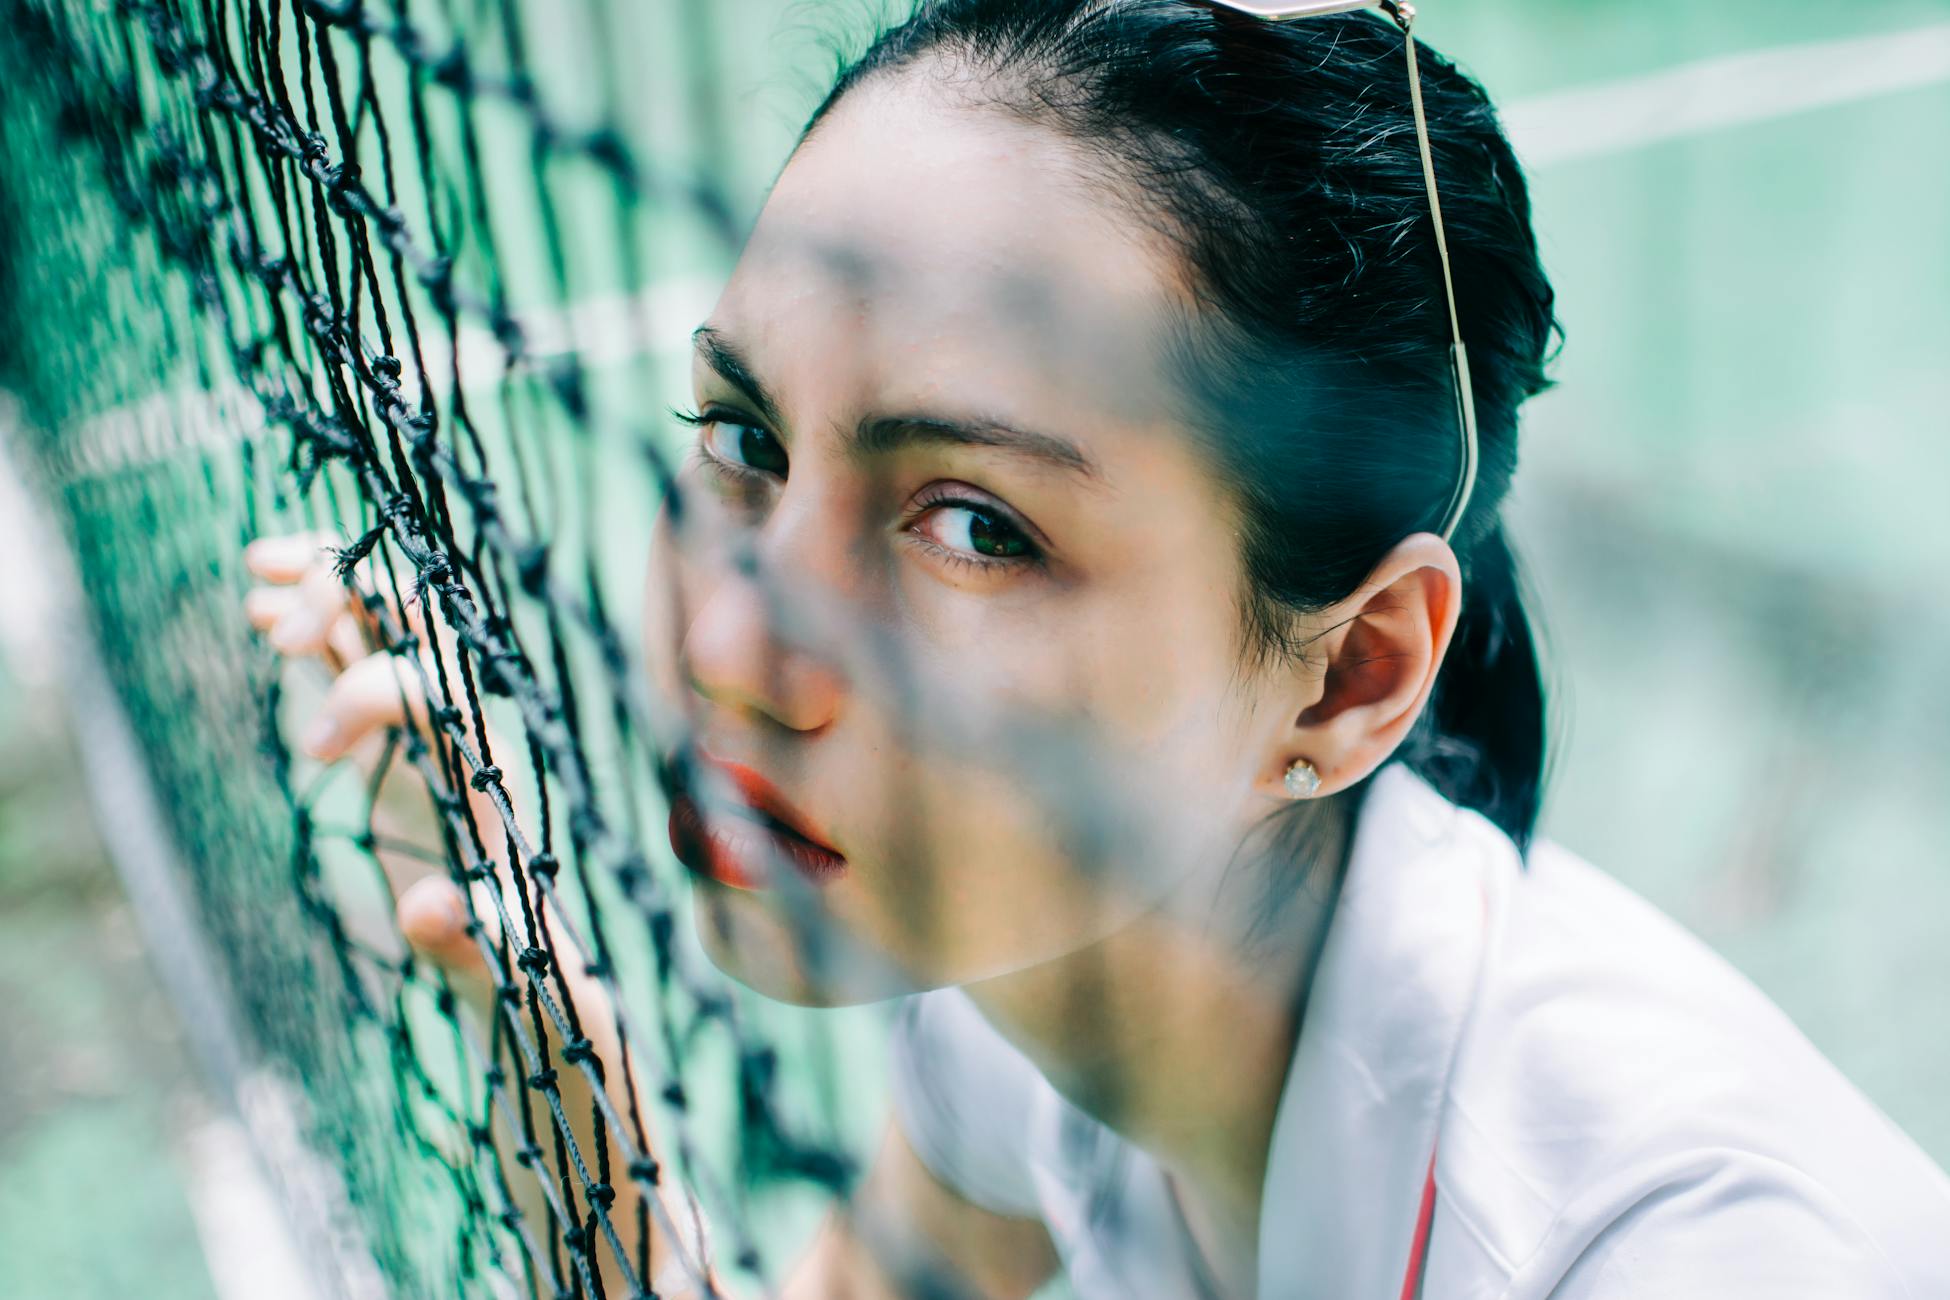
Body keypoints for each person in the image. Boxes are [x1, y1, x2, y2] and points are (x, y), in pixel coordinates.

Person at [243, 1, 1950, 1295]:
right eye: (744, 439)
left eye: (979, 527)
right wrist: (557, 1076)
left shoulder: (1680, 1253)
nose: (737, 647)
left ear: (1348, 676)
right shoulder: (1036, 985)